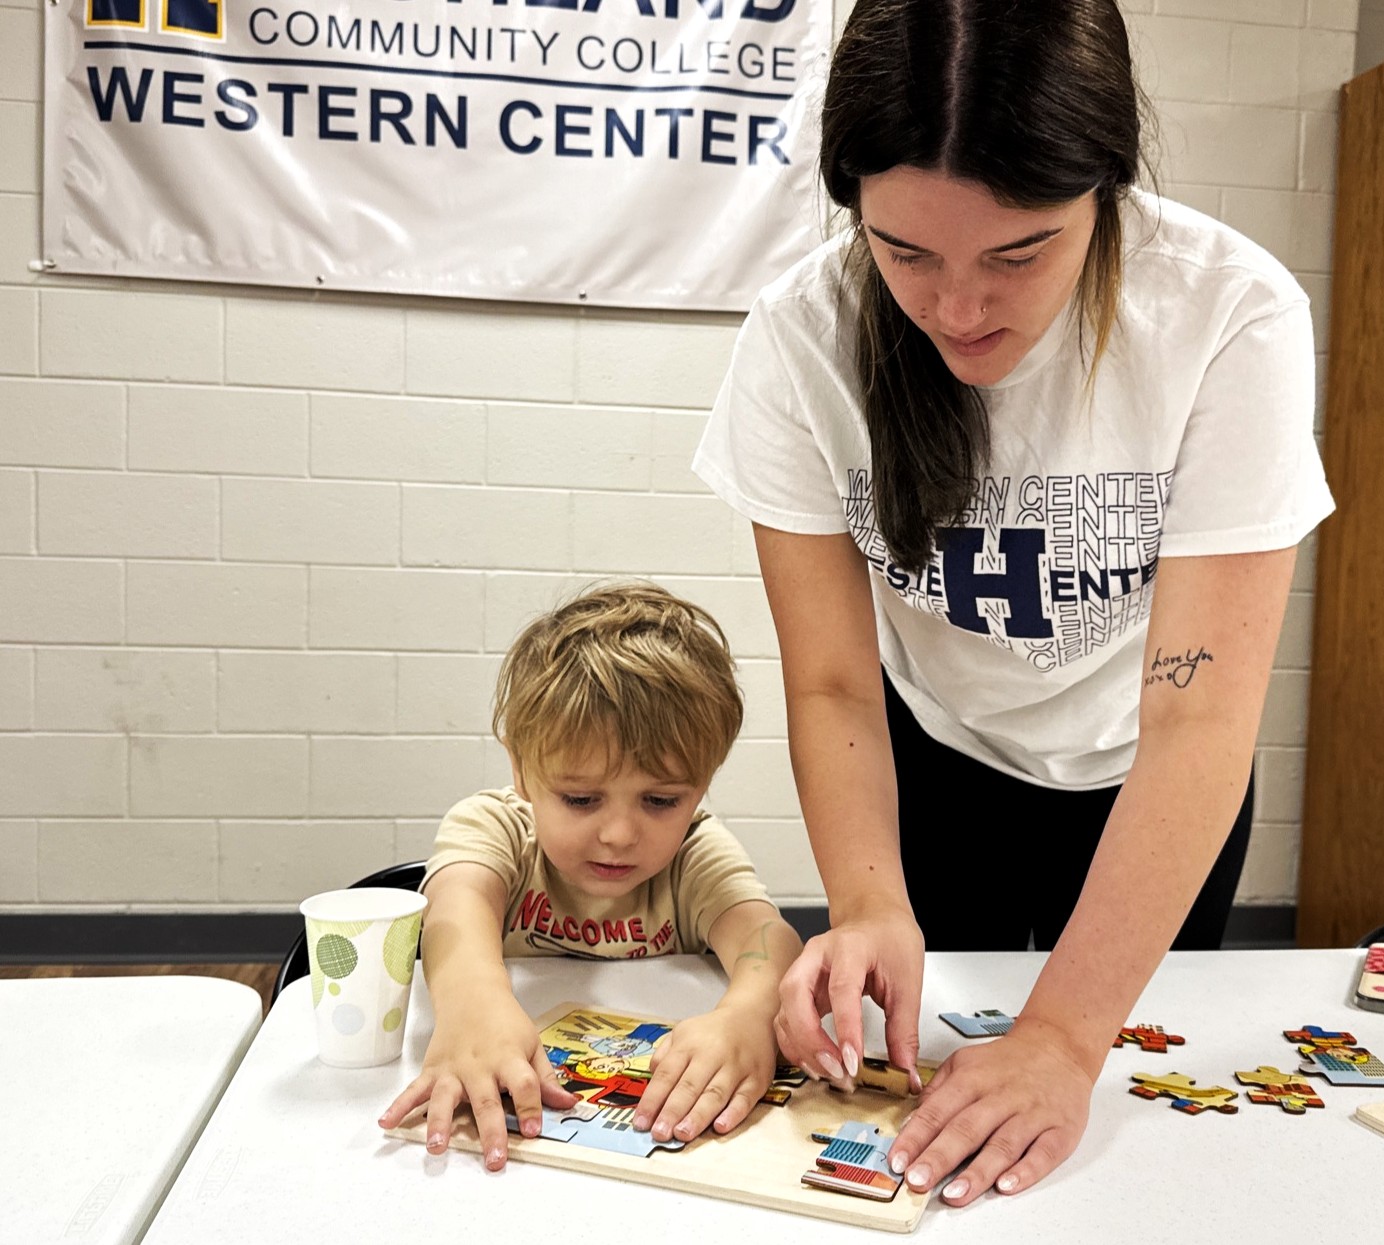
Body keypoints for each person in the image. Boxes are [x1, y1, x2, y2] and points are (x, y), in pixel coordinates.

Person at [692, 0, 1334, 1208]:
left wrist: (1064, 1038)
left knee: (1116, 1124)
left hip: (1153, 777)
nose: (958, 309)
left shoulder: (1229, 314)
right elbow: (832, 678)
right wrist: (867, 900)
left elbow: (1198, 721)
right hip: (935, 757)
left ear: (1104, 191)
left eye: (1018, 253)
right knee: (933, 1116)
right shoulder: (798, 335)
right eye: (905, 252)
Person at [378, 583, 802, 1170]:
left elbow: (768, 939)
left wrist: (750, 1014)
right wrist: (474, 999)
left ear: (701, 788)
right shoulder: (497, 827)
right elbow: (455, 909)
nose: (620, 834)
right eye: (581, 799)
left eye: (659, 800)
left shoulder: (695, 853)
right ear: (521, 769)